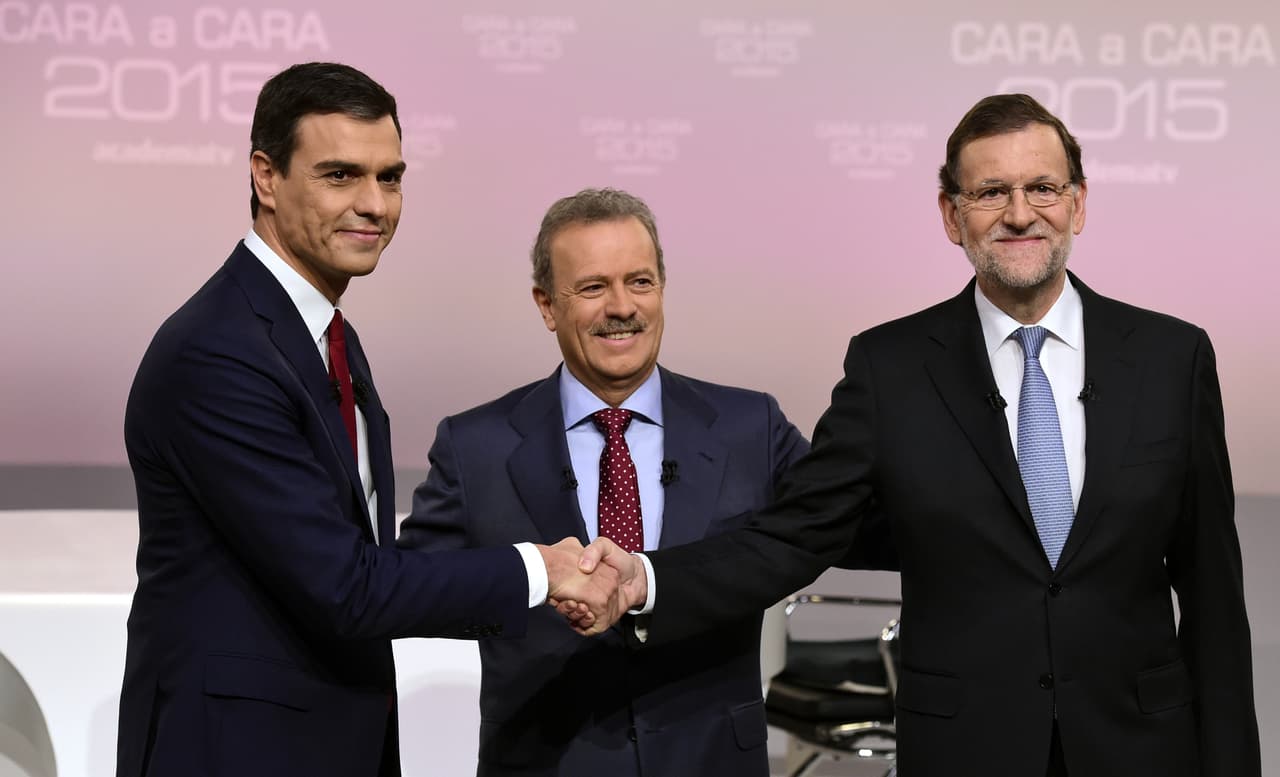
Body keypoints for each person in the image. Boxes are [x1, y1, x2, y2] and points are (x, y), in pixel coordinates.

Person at [573, 94, 1261, 777]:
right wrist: (647, 578)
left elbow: (1213, 597)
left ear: (1078, 203)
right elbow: (794, 534)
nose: (1020, 212)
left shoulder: (1174, 359)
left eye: (1042, 188)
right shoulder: (889, 368)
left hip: (1142, 748)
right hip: (966, 751)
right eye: (991, 191)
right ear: (951, 215)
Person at [117, 62, 620, 777]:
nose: (374, 204)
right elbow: (345, 587)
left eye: (390, 177)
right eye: (341, 175)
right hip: (237, 751)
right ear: (266, 176)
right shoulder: (218, 353)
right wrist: (539, 569)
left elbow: (361, 566)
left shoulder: (324, 335)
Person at [396, 187, 809, 776]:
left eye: (639, 282)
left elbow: (830, 527)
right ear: (546, 305)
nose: (622, 306)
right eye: (593, 287)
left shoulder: (752, 427)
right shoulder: (475, 446)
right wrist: (534, 578)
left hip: (710, 760)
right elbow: (417, 590)